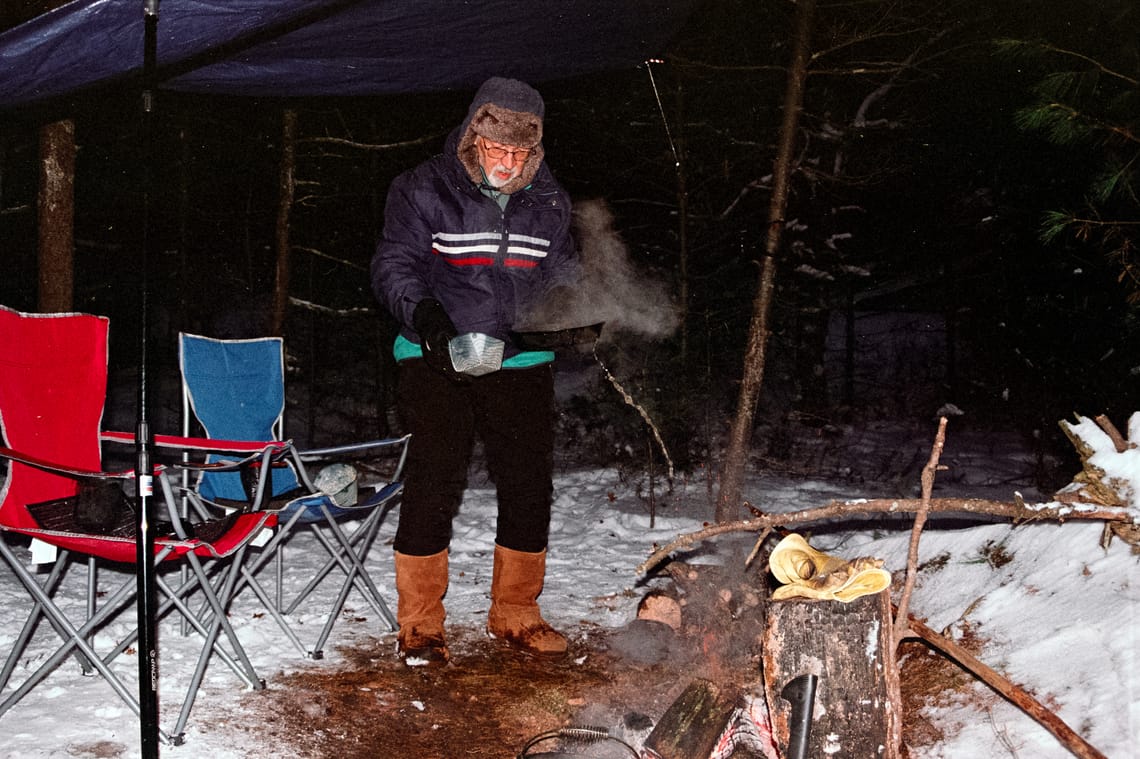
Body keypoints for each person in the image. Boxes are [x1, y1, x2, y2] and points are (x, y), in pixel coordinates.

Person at [370, 76, 580, 665]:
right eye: (495, 149)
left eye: (519, 152)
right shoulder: (419, 189)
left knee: (528, 481)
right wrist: (432, 323)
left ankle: (515, 612)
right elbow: (395, 265)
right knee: (437, 478)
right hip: (436, 352)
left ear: (534, 149)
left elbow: (562, 275)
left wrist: (577, 316)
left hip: (519, 355)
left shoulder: (550, 200)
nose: (506, 163)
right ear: (472, 138)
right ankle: (420, 623)